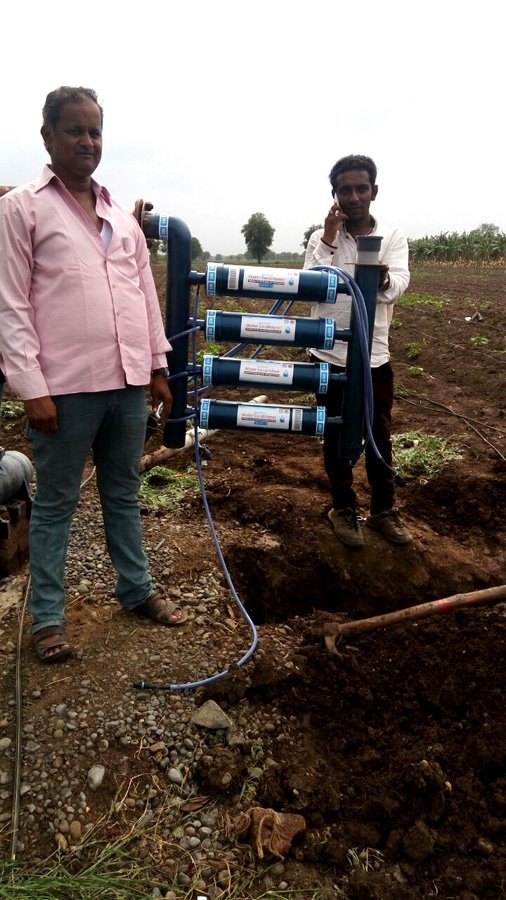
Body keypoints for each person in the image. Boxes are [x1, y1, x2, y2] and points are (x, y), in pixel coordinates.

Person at [0, 86, 188, 662]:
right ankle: (47, 619)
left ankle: (136, 590)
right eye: (75, 130)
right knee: (55, 503)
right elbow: (10, 304)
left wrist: (157, 367)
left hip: (127, 384)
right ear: (47, 137)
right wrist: (31, 388)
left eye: (95, 132)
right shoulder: (22, 208)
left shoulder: (120, 219)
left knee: (122, 493)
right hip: (64, 390)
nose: (87, 141)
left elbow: (144, 297)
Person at [304, 154, 412, 547]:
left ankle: (384, 510)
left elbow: (398, 284)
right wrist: (329, 238)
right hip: (329, 354)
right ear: (334, 194)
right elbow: (311, 283)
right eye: (345, 190)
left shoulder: (391, 238)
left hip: (373, 356)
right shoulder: (321, 238)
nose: (353, 197)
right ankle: (343, 508)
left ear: (373, 191)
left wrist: (378, 279)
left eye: (361, 188)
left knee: (379, 432)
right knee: (335, 433)